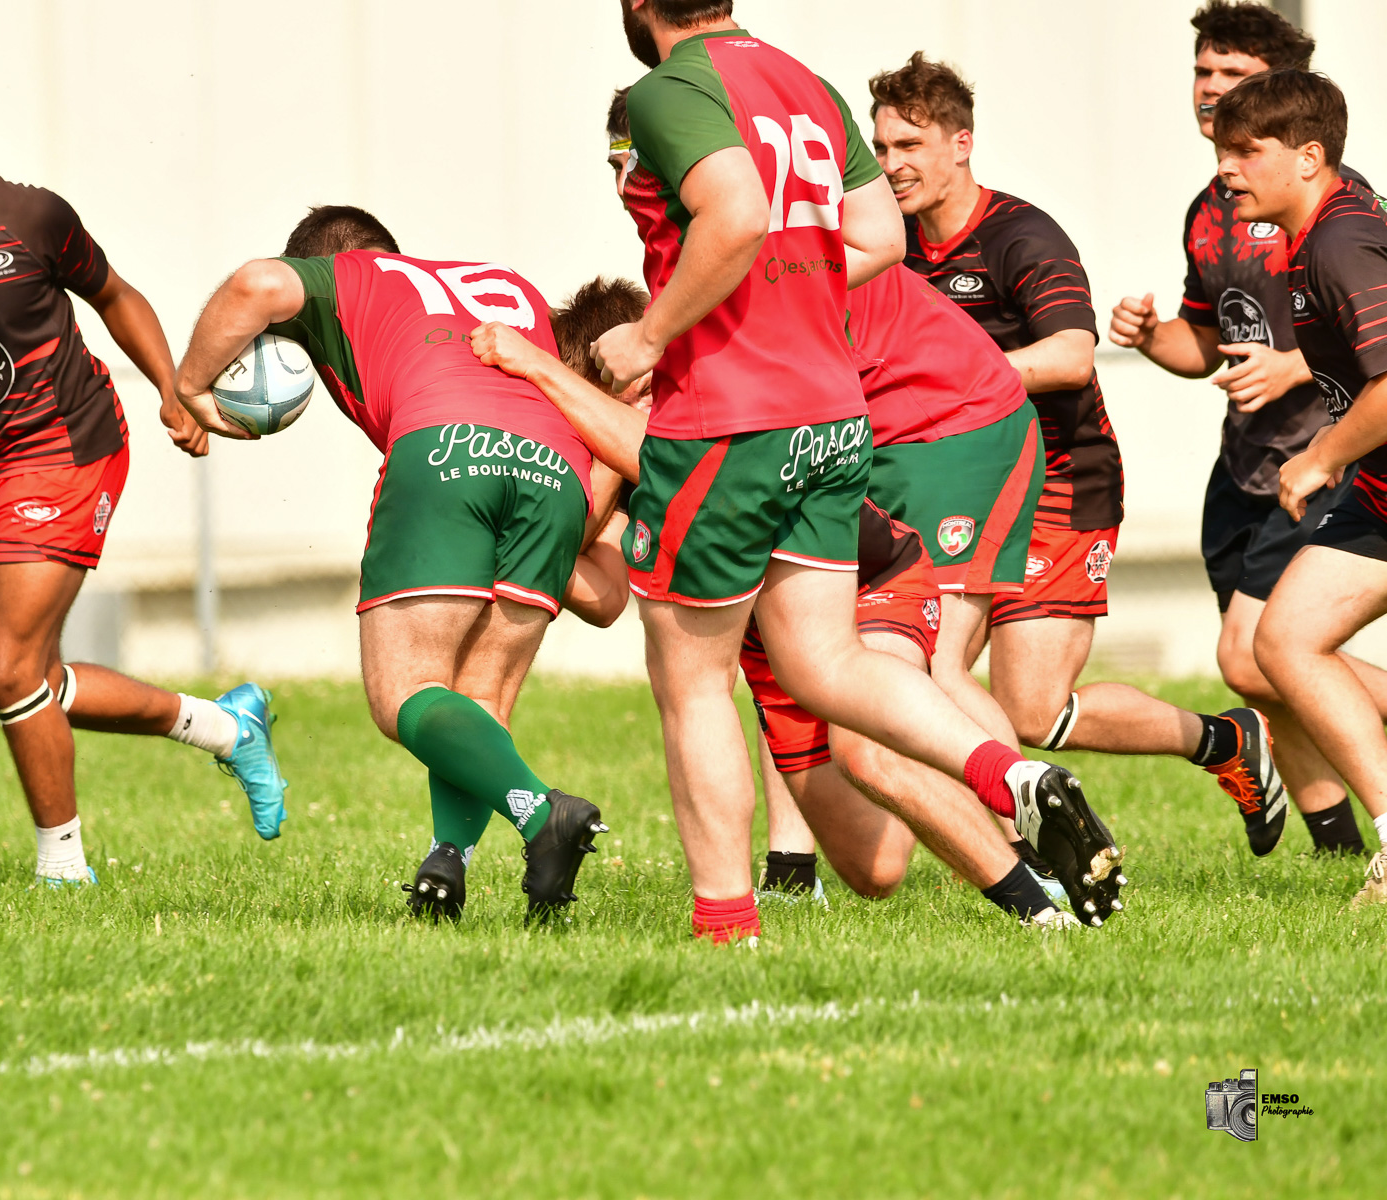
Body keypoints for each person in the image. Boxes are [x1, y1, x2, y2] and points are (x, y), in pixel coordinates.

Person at [594, 1, 1121, 944]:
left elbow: (740, 212)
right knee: (826, 661)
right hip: (835, 418)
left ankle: (725, 928)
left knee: (694, 680)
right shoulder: (807, 84)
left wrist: (650, 332)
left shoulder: (667, 91)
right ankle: (1013, 775)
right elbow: (877, 239)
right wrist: (789, 300)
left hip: (733, 416)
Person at [0, 43, 288, 885]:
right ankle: (225, 728)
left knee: (4, 669)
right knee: (29, 680)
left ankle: (61, 868)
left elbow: (115, 294)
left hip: (70, 445)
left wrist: (173, 389)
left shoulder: (27, 218)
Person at [481, 281, 1081, 928]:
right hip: (774, 652)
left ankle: (1037, 875)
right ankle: (831, 870)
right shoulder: (614, 446)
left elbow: (657, 455)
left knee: (868, 751)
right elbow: (601, 596)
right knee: (873, 871)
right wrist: (510, 546)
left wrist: (540, 371)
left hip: (870, 584)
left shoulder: (700, 407)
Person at [874, 52, 1285, 852]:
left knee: (1036, 711)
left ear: (961, 143)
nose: (892, 167)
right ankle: (1029, 850)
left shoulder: (1020, 235)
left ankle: (1200, 756)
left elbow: (1067, 356)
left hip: (1061, 481)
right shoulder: (892, 248)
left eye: (910, 146)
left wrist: (944, 383)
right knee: (931, 666)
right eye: (882, 148)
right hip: (957, 484)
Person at [171, 205, 608, 922]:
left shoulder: (349, 276)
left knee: (401, 694)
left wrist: (188, 385)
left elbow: (254, 284)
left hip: (445, 453)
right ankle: (449, 862)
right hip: (558, 468)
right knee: (476, 700)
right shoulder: (502, 282)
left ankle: (542, 814)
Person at [1109, 2, 1370, 857]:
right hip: (1255, 467)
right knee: (1269, 660)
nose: (1212, 94)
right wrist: (1154, 340)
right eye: (1203, 74)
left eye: (1235, 80)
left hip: (1329, 459)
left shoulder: (1338, 221)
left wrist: (1310, 410)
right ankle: (1338, 846)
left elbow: (1359, 346)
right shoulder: (1224, 209)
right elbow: (1213, 340)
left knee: (1266, 651)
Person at [1223, 70, 1387, 905]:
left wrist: (1322, 455)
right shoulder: (1327, 218)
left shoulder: (1338, 241)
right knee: (1280, 644)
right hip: (1382, 494)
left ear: (1311, 156)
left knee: (1280, 644)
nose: (1227, 167)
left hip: (1370, 484)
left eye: (1248, 151)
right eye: (1222, 149)